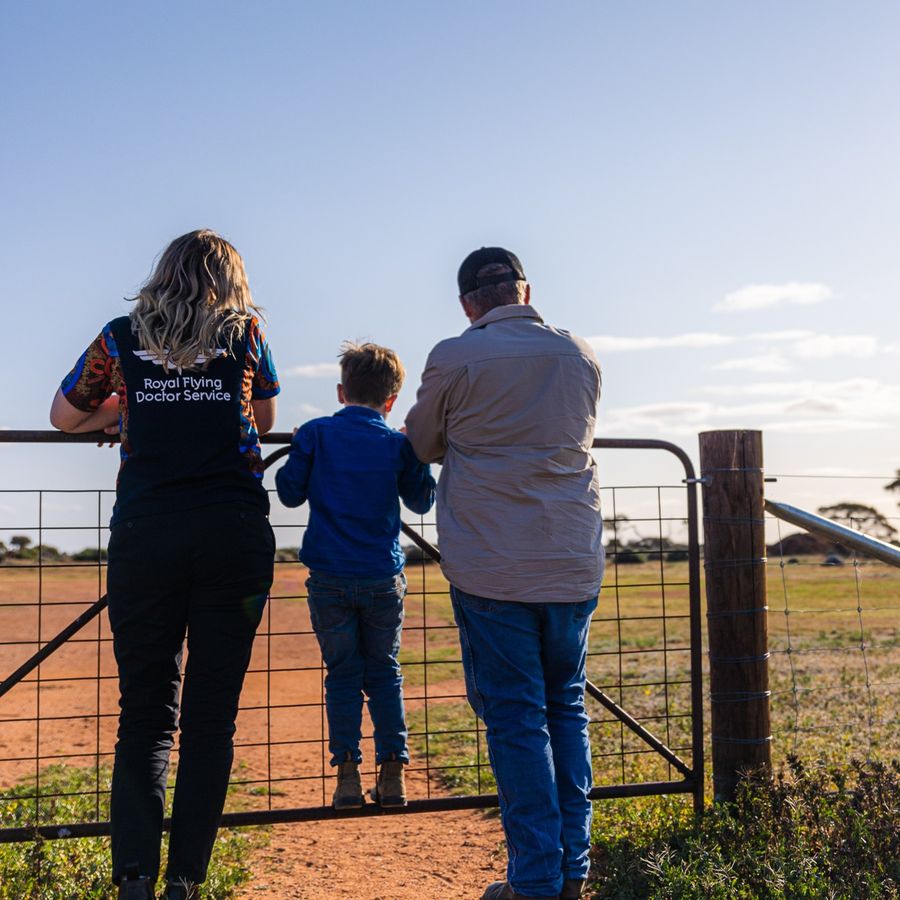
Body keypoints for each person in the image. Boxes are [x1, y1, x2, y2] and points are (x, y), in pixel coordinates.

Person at [50, 230, 279, 900]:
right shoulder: (246, 332)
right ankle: (185, 881)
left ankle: (132, 882)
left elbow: (65, 416)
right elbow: (261, 415)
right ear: (230, 278)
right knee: (212, 716)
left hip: (147, 533)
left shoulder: (120, 335)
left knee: (145, 714)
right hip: (234, 534)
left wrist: (127, 409)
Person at [405, 247, 604, 900]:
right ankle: (571, 872)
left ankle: (535, 882)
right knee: (566, 709)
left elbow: (422, 442)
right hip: (572, 559)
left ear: (468, 303)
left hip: (493, 565)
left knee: (518, 720)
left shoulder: (455, 356)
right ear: (527, 290)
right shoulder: (579, 354)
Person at [275, 342, 435, 810]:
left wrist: (300, 444)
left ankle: (346, 776)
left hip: (328, 576)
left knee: (342, 674)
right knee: (385, 672)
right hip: (382, 576)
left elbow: (287, 494)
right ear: (391, 400)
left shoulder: (318, 435)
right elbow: (422, 501)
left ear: (342, 391)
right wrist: (417, 450)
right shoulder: (396, 444)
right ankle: (394, 776)